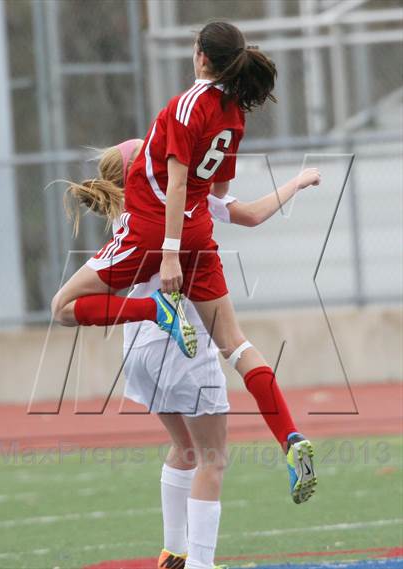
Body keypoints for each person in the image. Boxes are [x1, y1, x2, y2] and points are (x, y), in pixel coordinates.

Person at [53, 21, 320, 569]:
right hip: (177, 309)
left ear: (200, 55)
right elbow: (212, 196)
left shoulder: (164, 144)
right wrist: (175, 250)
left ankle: (173, 553)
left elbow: (192, 187)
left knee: (186, 448)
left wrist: (289, 183)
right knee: (217, 439)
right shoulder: (224, 116)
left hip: (139, 346)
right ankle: (285, 439)